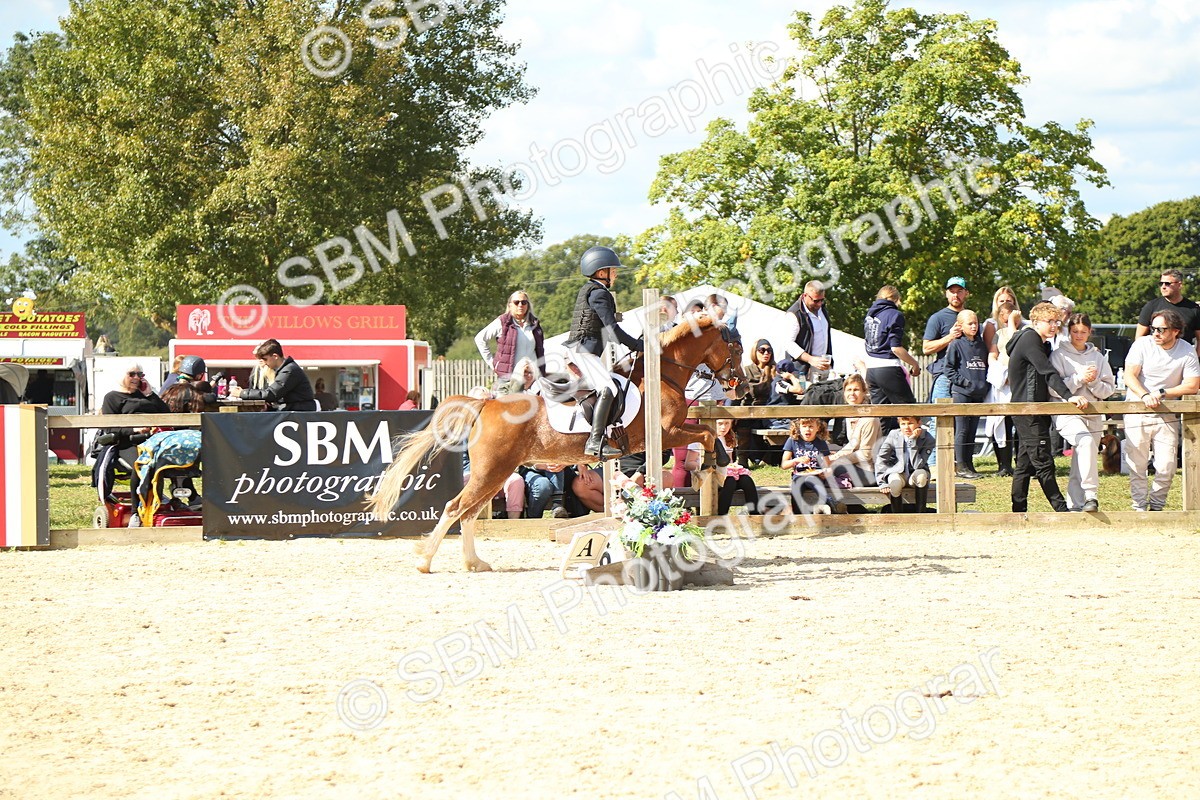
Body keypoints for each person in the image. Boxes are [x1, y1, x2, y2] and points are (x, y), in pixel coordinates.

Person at [1005, 302, 1090, 513]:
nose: (1054, 326)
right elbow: (1047, 372)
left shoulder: (1040, 343)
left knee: (1025, 464)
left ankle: (1018, 510)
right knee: (1043, 461)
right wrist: (1069, 396)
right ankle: (1061, 510)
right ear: (1035, 322)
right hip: (1028, 409)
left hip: (1032, 408)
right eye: (1049, 321)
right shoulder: (1030, 339)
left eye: (1056, 322)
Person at [563, 246, 644, 459]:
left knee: (608, 387)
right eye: (613, 270)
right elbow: (612, 330)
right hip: (584, 350)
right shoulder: (599, 293)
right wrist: (636, 345)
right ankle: (594, 441)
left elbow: (604, 323)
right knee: (608, 388)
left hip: (582, 348)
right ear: (601, 273)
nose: (616, 274)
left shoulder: (591, 290)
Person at [1122, 309, 1200, 511]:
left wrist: (1163, 392)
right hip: (1137, 410)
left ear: (1175, 331)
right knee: (1137, 463)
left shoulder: (1186, 350)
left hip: (1167, 412)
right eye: (1153, 328)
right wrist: (1145, 395)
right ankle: (1139, 507)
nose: (1155, 333)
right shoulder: (1141, 344)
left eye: (1161, 329)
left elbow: (1192, 385)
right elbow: (1129, 376)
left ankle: (1157, 506)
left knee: (1166, 465)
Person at [1050, 313, 1116, 512]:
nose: (1079, 336)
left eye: (1083, 332)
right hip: (1067, 413)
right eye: (1075, 332)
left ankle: (1076, 506)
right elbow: (1054, 388)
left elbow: (1109, 389)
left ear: (1090, 332)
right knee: (1085, 442)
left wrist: (1093, 381)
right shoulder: (1058, 355)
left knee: (1082, 457)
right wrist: (1078, 378)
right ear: (1069, 331)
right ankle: (1091, 494)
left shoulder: (1097, 356)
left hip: (1093, 412)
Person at [863, 285, 922, 434]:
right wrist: (914, 364)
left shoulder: (869, 315)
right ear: (897, 299)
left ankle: (882, 455)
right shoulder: (894, 314)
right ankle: (912, 453)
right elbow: (895, 348)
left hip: (871, 370)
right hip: (888, 367)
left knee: (882, 418)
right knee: (909, 411)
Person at [676, 419, 759, 515]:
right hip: (703, 478)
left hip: (723, 476)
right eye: (720, 424)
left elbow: (728, 461)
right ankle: (721, 515)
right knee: (730, 481)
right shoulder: (697, 440)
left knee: (746, 479)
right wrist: (709, 466)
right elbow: (688, 464)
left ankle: (755, 513)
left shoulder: (727, 438)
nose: (723, 427)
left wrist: (733, 467)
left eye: (727, 423)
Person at [943, 309, 990, 478]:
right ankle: (960, 465)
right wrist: (965, 382)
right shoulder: (956, 344)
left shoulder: (981, 345)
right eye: (969, 323)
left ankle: (969, 464)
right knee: (961, 429)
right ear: (960, 326)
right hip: (962, 393)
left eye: (975, 323)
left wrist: (984, 386)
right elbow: (948, 369)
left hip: (978, 393)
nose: (973, 326)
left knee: (972, 430)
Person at [825, 374, 881, 496]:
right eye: (849, 390)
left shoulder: (869, 419)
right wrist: (834, 456)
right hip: (855, 465)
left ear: (864, 392)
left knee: (829, 470)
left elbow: (866, 454)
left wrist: (838, 460)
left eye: (856, 390)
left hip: (869, 470)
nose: (852, 394)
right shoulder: (851, 414)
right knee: (824, 458)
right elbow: (852, 445)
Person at [985, 300, 1023, 476]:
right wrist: (998, 372)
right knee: (1002, 424)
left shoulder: (1023, 332)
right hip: (1003, 383)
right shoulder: (999, 334)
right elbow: (993, 354)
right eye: (1005, 316)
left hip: (1019, 382)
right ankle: (1005, 464)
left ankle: (1021, 463)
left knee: (1020, 425)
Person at [474, 290, 546, 381]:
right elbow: (480, 339)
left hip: (533, 377)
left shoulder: (535, 324)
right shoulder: (503, 322)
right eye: (516, 302)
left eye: (524, 302)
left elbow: (540, 350)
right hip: (510, 378)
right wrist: (493, 363)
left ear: (528, 305)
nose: (520, 305)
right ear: (510, 305)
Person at [230, 339, 317, 411]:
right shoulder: (285, 369)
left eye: (265, 359)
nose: (263, 362)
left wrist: (242, 393)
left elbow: (272, 394)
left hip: (299, 415)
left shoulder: (289, 370)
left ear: (275, 356)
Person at [923, 276, 971, 403]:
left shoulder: (971, 318)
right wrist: (950, 337)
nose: (955, 295)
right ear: (946, 294)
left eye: (959, 291)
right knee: (940, 419)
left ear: (966, 293)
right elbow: (926, 348)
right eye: (952, 291)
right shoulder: (937, 318)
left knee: (965, 420)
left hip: (967, 376)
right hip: (945, 375)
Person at [98, 363, 169, 448]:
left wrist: (150, 394)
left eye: (139, 374)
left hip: (155, 438)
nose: (136, 377)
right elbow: (109, 428)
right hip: (128, 442)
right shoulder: (112, 397)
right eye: (132, 374)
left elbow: (167, 414)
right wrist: (134, 429)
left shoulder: (147, 395)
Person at [875, 415, 934, 513]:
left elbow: (917, 465)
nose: (906, 427)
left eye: (910, 423)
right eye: (903, 424)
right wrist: (881, 482)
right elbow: (881, 457)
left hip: (915, 475)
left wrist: (912, 441)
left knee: (921, 475)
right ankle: (897, 515)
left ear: (919, 423)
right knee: (894, 483)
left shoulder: (928, 438)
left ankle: (920, 514)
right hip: (898, 472)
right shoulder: (893, 434)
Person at [1135, 269, 1200, 355]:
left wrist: (1195, 358)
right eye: (1161, 284)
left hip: (1183, 358)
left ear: (1179, 285)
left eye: (1167, 283)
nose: (1163, 287)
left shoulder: (1194, 309)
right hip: (1155, 358)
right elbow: (1139, 338)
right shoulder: (1151, 306)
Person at [781, 417, 832, 515]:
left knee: (812, 479)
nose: (807, 429)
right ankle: (798, 514)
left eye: (811, 426)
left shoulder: (820, 443)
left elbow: (827, 464)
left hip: (816, 475)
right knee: (796, 485)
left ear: (818, 428)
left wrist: (825, 472)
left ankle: (827, 502)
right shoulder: (793, 441)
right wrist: (796, 460)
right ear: (799, 427)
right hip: (798, 475)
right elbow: (784, 465)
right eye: (804, 426)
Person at [785, 280, 833, 381]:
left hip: (823, 367)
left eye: (822, 300)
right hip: (802, 371)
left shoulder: (822, 309)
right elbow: (788, 344)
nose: (819, 304)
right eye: (815, 301)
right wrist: (811, 359)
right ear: (805, 295)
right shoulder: (794, 314)